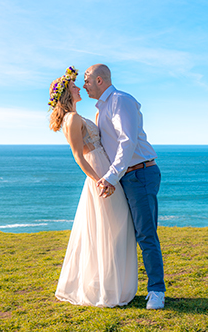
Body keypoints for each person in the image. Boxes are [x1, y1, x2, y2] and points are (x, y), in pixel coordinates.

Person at [49, 66, 138, 307]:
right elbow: (78, 155)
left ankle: (111, 284)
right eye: (74, 86)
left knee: (115, 226)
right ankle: (108, 287)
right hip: (99, 171)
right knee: (111, 227)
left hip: (104, 168)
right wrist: (98, 178)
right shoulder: (73, 118)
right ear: (67, 93)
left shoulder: (79, 116)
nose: (79, 87)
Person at [83, 64, 166, 310]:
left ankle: (156, 291)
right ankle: (122, 286)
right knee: (123, 233)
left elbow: (127, 141)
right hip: (123, 177)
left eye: (87, 80)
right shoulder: (102, 108)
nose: (84, 85)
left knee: (146, 234)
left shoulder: (120, 100)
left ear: (99, 80)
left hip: (140, 174)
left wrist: (109, 177)